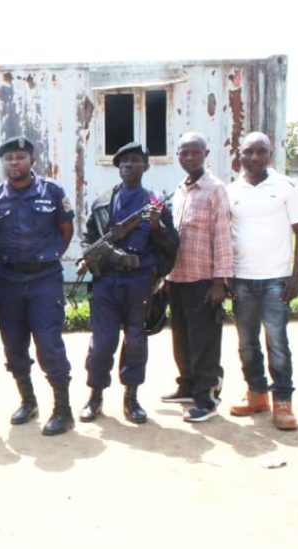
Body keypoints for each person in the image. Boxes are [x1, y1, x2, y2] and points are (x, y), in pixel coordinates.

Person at [80, 142, 179, 425]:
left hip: (139, 282)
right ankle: (95, 396)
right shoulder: (102, 201)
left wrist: (158, 227)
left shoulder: (156, 202)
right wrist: (104, 256)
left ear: (146, 166)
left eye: (136, 160)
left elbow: (172, 245)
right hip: (107, 281)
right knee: (102, 342)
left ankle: (131, 397)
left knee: (136, 340)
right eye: (123, 161)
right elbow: (88, 238)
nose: (128, 165)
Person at [0, 136, 77, 435]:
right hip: (8, 280)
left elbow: (66, 229)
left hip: (43, 280)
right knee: (13, 345)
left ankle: (63, 410)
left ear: (32, 161)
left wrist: (51, 255)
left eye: (20, 157)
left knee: (49, 345)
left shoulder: (52, 192)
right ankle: (28, 401)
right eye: (9, 158)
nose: (14, 163)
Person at [226, 133, 298, 430]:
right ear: (240, 154)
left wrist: (296, 275)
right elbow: (225, 235)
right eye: (249, 152)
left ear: (271, 155)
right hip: (242, 279)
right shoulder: (231, 190)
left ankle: (283, 402)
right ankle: (257, 394)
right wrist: (226, 275)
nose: (255, 157)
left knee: (277, 342)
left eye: (262, 152)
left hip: (276, 279)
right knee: (247, 343)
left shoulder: (287, 187)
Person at [163, 132, 232, 422]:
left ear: (205, 154)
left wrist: (220, 282)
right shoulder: (180, 188)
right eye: (183, 153)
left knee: (204, 340)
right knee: (181, 337)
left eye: (194, 152)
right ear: (177, 155)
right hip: (178, 277)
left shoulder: (215, 189)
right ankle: (188, 386)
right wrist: (165, 277)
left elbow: (223, 236)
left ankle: (206, 398)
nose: (189, 157)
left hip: (204, 280)